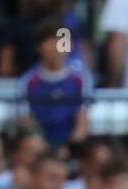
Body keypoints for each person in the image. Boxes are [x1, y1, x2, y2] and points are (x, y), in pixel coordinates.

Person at [18, 16, 92, 148]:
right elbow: (26, 119)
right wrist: (42, 145)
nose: (56, 47)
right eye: (50, 41)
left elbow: (82, 122)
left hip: (72, 146)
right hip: (39, 146)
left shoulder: (80, 79)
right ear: (39, 46)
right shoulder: (28, 81)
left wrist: (69, 147)